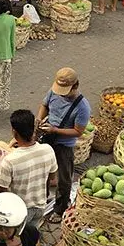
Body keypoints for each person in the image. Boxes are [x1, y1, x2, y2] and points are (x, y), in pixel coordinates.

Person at [36, 67, 91, 223]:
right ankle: (43, 198)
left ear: (75, 86)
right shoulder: (54, 92)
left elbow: (78, 131)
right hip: (48, 138)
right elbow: (44, 105)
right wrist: (40, 120)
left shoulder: (82, 107)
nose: (60, 93)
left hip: (64, 144)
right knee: (44, 171)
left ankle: (60, 209)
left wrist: (56, 130)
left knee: (64, 178)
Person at [0, 110, 58, 230]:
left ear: (14, 132)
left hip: (20, 211)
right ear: (33, 129)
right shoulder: (48, 150)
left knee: (18, 238)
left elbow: (0, 187)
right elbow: (52, 176)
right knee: (32, 233)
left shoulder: (10, 160)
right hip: (40, 205)